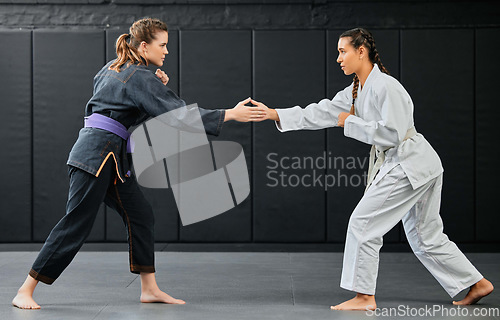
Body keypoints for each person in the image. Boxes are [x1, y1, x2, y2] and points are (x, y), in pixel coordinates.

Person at [12, 17, 266, 310]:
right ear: (144, 46)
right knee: (76, 222)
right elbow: (176, 115)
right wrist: (229, 114)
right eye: (163, 45)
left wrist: (150, 84)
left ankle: (149, 288)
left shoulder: (113, 67)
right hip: (98, 155)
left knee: (141, 215)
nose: (167, 51)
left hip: (110, 156)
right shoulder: (139, 77)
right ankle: (25, 290)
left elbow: (122, 108)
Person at [250, 27, 494, 311]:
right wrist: (274, 114)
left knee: (363, 223)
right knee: (425, 236)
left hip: (408, 162)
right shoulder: (357, 89)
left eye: (343, 51)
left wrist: (348, 123)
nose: (339, 58)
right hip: (418, 165)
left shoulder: (386, 86)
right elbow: (322, 111)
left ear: (361, 51)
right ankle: (477, 283)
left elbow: (393, 133)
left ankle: (364, 296)